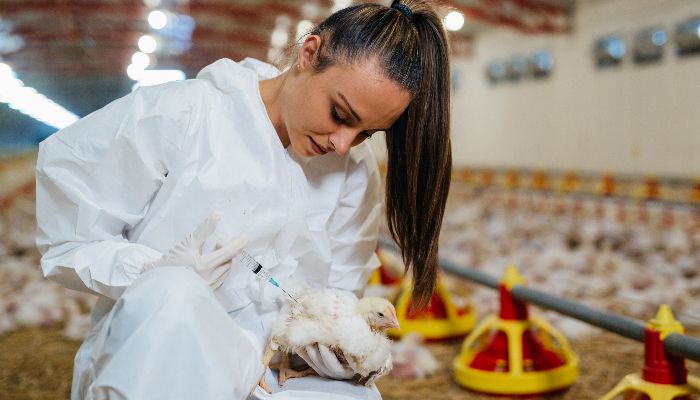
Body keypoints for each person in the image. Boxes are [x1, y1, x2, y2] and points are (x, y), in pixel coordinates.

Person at [35, 0, 452, 399]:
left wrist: (332, 343)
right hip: (164, 343)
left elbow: (340, 289)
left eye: (366, 133)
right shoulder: (184, 115)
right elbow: (69, 237)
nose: (344, 144)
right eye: (341, 115)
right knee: (172, 297)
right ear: (308, 53)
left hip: (276, 367)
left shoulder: (353, 173)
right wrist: (153, 272)